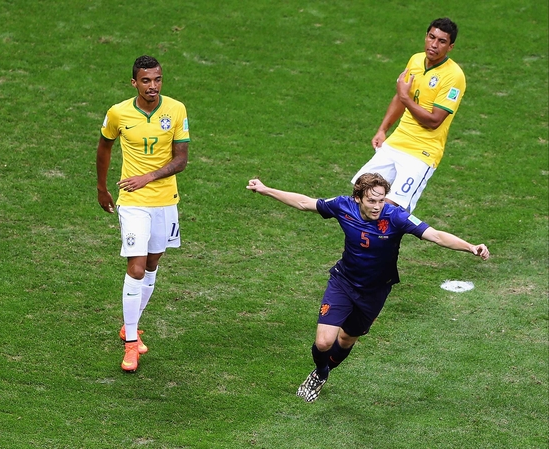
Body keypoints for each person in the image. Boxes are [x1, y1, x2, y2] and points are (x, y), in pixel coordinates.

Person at [246, 173, 489, 402]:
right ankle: (320, 373)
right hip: (343, 282)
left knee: (346, 338)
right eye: (371, 200)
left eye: (381, 200)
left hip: (375, 291)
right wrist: (265, 190)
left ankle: (326, 369)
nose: (377, 206)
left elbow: (435, 235)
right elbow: (303, 203)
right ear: (358, 198)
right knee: (323, 343)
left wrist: (470, 247)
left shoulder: (395, 216)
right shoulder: (343, 206)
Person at [96, 55, 190, 372]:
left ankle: (129, 324)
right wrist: (101, 187)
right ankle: (131, 344)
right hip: (132, 201)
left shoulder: (176, 110)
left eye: (158, 79)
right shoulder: (118, 113)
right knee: (136, 267)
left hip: (165, 200)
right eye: (146, 80)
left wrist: (148, 177)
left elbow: (181, 160)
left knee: (152, 265)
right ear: (134, 83)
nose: (153, 86)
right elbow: (104, 146)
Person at [352, 18, 465, 211]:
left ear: (450, 47)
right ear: (426, 36)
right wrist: (382, 129)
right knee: (361, 193)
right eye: (432, 37)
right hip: (397, 142)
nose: (434, 44)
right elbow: (400, 96)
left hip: (422, 153)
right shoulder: (415, 60)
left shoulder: (454, 77)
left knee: (391, 209)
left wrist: (405, 98)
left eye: (442, 41)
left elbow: (434, 121)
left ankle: (384, 241)